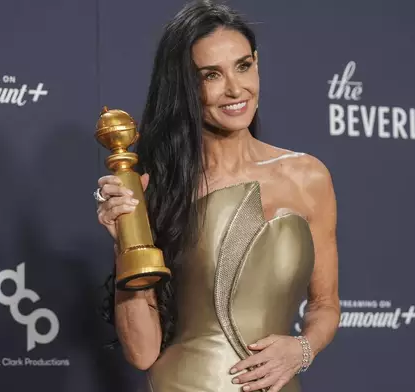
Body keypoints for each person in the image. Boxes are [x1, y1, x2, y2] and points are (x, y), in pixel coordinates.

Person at [95, 1, 340, 391]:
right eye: (211, 75)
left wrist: (302, 349)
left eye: (243, 66)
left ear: (257, 63)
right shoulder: (157, 190)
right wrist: (125, 246)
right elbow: (142, 353)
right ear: (185, 86)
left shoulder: (309, 176)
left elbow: (325, 305)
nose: (234, 89)